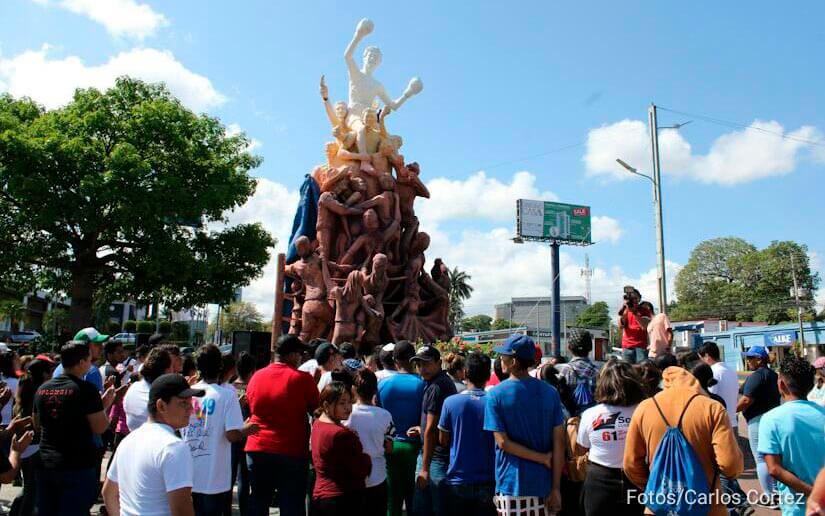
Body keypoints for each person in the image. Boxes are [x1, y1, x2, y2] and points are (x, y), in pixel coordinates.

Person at [623, 365, 744, 516]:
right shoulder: (712, 408)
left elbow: (630, 463)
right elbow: (730, 464)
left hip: (659, 506)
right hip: (707, 504)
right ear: (694, 383)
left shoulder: (644, 408)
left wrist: (653, 486)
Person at [484, 334, 565, 515]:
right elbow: (559, 442)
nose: (500, 359)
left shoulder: (495, 395)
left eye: (503, 356)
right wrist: (556, 488)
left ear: (513, 361)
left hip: (511, 484)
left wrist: (542, 458)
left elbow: (503, 443)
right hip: (545, 484)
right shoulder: (550, 392)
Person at [103, 374, 205, 516]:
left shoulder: (129, 440)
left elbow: (108, 493)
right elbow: (182, 511)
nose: (191, 409)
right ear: (161, 406)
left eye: (190, 402)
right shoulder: (174, 447)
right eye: (183, 403)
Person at [33, 341, 116, 515]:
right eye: (89, 360)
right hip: (76, 465)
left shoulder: (42, 389)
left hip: (46, 462)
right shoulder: (86, 390)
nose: (91, 364)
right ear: (81, 362)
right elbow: (100, 427)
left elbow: (37, 425)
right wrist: (105, 406)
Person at [245, 335, 319, 516]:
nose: (301, 358)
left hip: (257, 448)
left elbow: (251, 408)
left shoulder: (256, 377)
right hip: (291, 451)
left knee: (258, 502)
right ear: (292, 355)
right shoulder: (303, 379)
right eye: (300, 354)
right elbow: (317, 411)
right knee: (291, 505)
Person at [181, 345, 259, 516]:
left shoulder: (188, 394)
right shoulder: (227, 395)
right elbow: (232, 435)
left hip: (188, 472)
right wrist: (247, 429)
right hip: (213, 476)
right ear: (220, 366)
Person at [758, 355, 825, 516]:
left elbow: (774, 469)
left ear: (781, 384)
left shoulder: (770, 419)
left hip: (796, 507)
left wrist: (813, 494)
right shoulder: (822, 413)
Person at [578, 359, 645, 516]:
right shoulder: (645, 410)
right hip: (638, 480)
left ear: (603, 384)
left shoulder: (590, 414)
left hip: (599, 482)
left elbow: (583, 447)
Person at [437, 352, 496, 516]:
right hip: (489, 479)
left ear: (465, 372)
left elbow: (443, 440)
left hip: (458, 478)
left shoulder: (451, 402)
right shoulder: (495, 403)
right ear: (487, 375)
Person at [376, 340, 425, 516]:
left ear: (395, 360)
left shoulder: (382, 385)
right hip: (416, 448)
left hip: (391, 447)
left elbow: (379, 416)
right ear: (414, 360)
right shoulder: (423, 385)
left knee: (392, 501)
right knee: (415, 500)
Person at [311, 381, 372, 515]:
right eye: (342, 403)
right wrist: (367, 458)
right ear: (326, 405)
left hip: (321, 496)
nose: (348, 407)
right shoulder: (341, 434)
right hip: (342, 499)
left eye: (350, 402)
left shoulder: (318, 424)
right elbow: (360, 468)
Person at [410, 345, 457, 516]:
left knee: (425, 509)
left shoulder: (437, 386)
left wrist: (424, 468)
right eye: (419, 365)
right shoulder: (437, 382)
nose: (422, 368)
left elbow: (431, 429)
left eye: (427, 363)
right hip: (437, 458)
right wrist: (421, 429)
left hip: (435, 459)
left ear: (439, 362)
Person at [344, 368, 394, 516]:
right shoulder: (385, 416)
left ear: (354, 389)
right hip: (377, 477)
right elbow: (389, 448)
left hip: (351, 478)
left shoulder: (345, 415)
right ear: (375, 390)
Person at [737, 345, 781, 504]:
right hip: (774, 419)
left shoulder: (757, 376)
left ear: (759, 359)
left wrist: (730, 411)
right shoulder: (773, 375)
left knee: (761, 458)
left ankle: (770, 496)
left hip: (758, 420)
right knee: (774, 457)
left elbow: (746, 400)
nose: (747, 361)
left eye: (750, 358)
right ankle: (777, 493)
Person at [9, 357, 51, 516]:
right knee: (32, 491)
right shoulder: (40, 393)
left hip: (25, 446)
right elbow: (38, 424)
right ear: (44, 374)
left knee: (29, 488)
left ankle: (15, 512)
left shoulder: (25, 388)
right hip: (34, 446)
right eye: (50, 371)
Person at [230, 351, 257, 516]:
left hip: (231, 435)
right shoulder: (253, 388)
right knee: (243, 478)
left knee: (230, 476)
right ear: (252, 370)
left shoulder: (229, 388)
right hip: (248, 435)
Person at [123, 347, 173, 431]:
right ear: (167, 370)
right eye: (172, 367)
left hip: (132, 435)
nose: (173, 373)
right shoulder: (159, 396)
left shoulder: (133, 387)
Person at [556, 328, 599, 415]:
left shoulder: (560, 371)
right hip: (593, 419)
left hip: (568, 419)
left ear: (569, 347)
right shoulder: (599, 372)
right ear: (590, 348)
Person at [698, 341, 740, 428]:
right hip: (733, 422)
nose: (700, 362)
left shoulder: (712, 372)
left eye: (701, 358)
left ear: (707, 356)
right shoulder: (731, 370)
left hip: (719, 425)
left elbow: (709, 400)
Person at [618, 288, 652, 364]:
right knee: (627, 370)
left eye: (636, 298)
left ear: (640, 298)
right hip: (627, 346)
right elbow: (620, 326)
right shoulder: (625, 310)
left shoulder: (645, 310)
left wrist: (635, 313)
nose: (634, 300)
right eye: (632, 298)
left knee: (641, 369)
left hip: (641, 346)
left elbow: (644, 327)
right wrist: (626, 310)